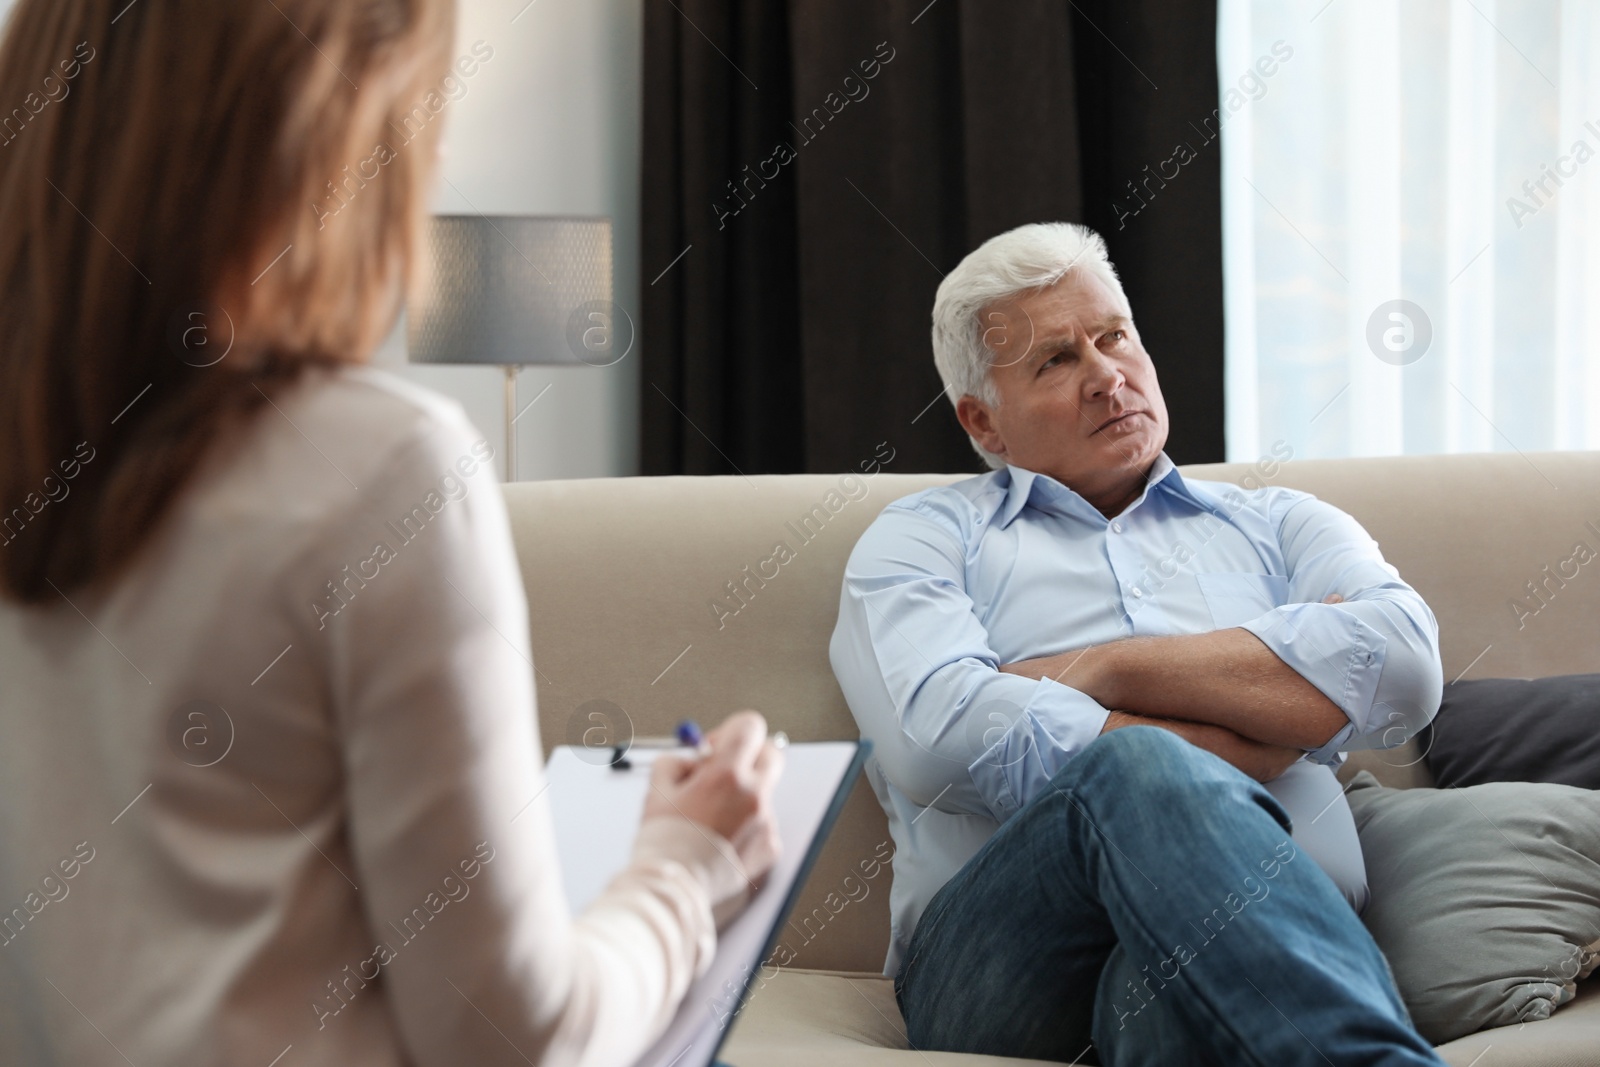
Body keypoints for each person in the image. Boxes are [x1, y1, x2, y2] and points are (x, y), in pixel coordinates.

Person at [0, 2, 782, 1065]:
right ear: (321, 123)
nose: (438, 145)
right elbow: (516, 1043)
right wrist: (686, 864)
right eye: (421, 103)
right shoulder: (380, 470)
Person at [830, 222, 1447, 1064]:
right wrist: (1253, 714)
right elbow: (937, 737)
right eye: (1056, 361)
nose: (1107, 376)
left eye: (1114, 337)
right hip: (1003, 969)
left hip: (1268, 948)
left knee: (1159, 991)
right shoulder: (923, 542)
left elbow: (1404, 666)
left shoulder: (1282, 522)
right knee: (1134, 769)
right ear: (985, 423)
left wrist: (1100, 668)